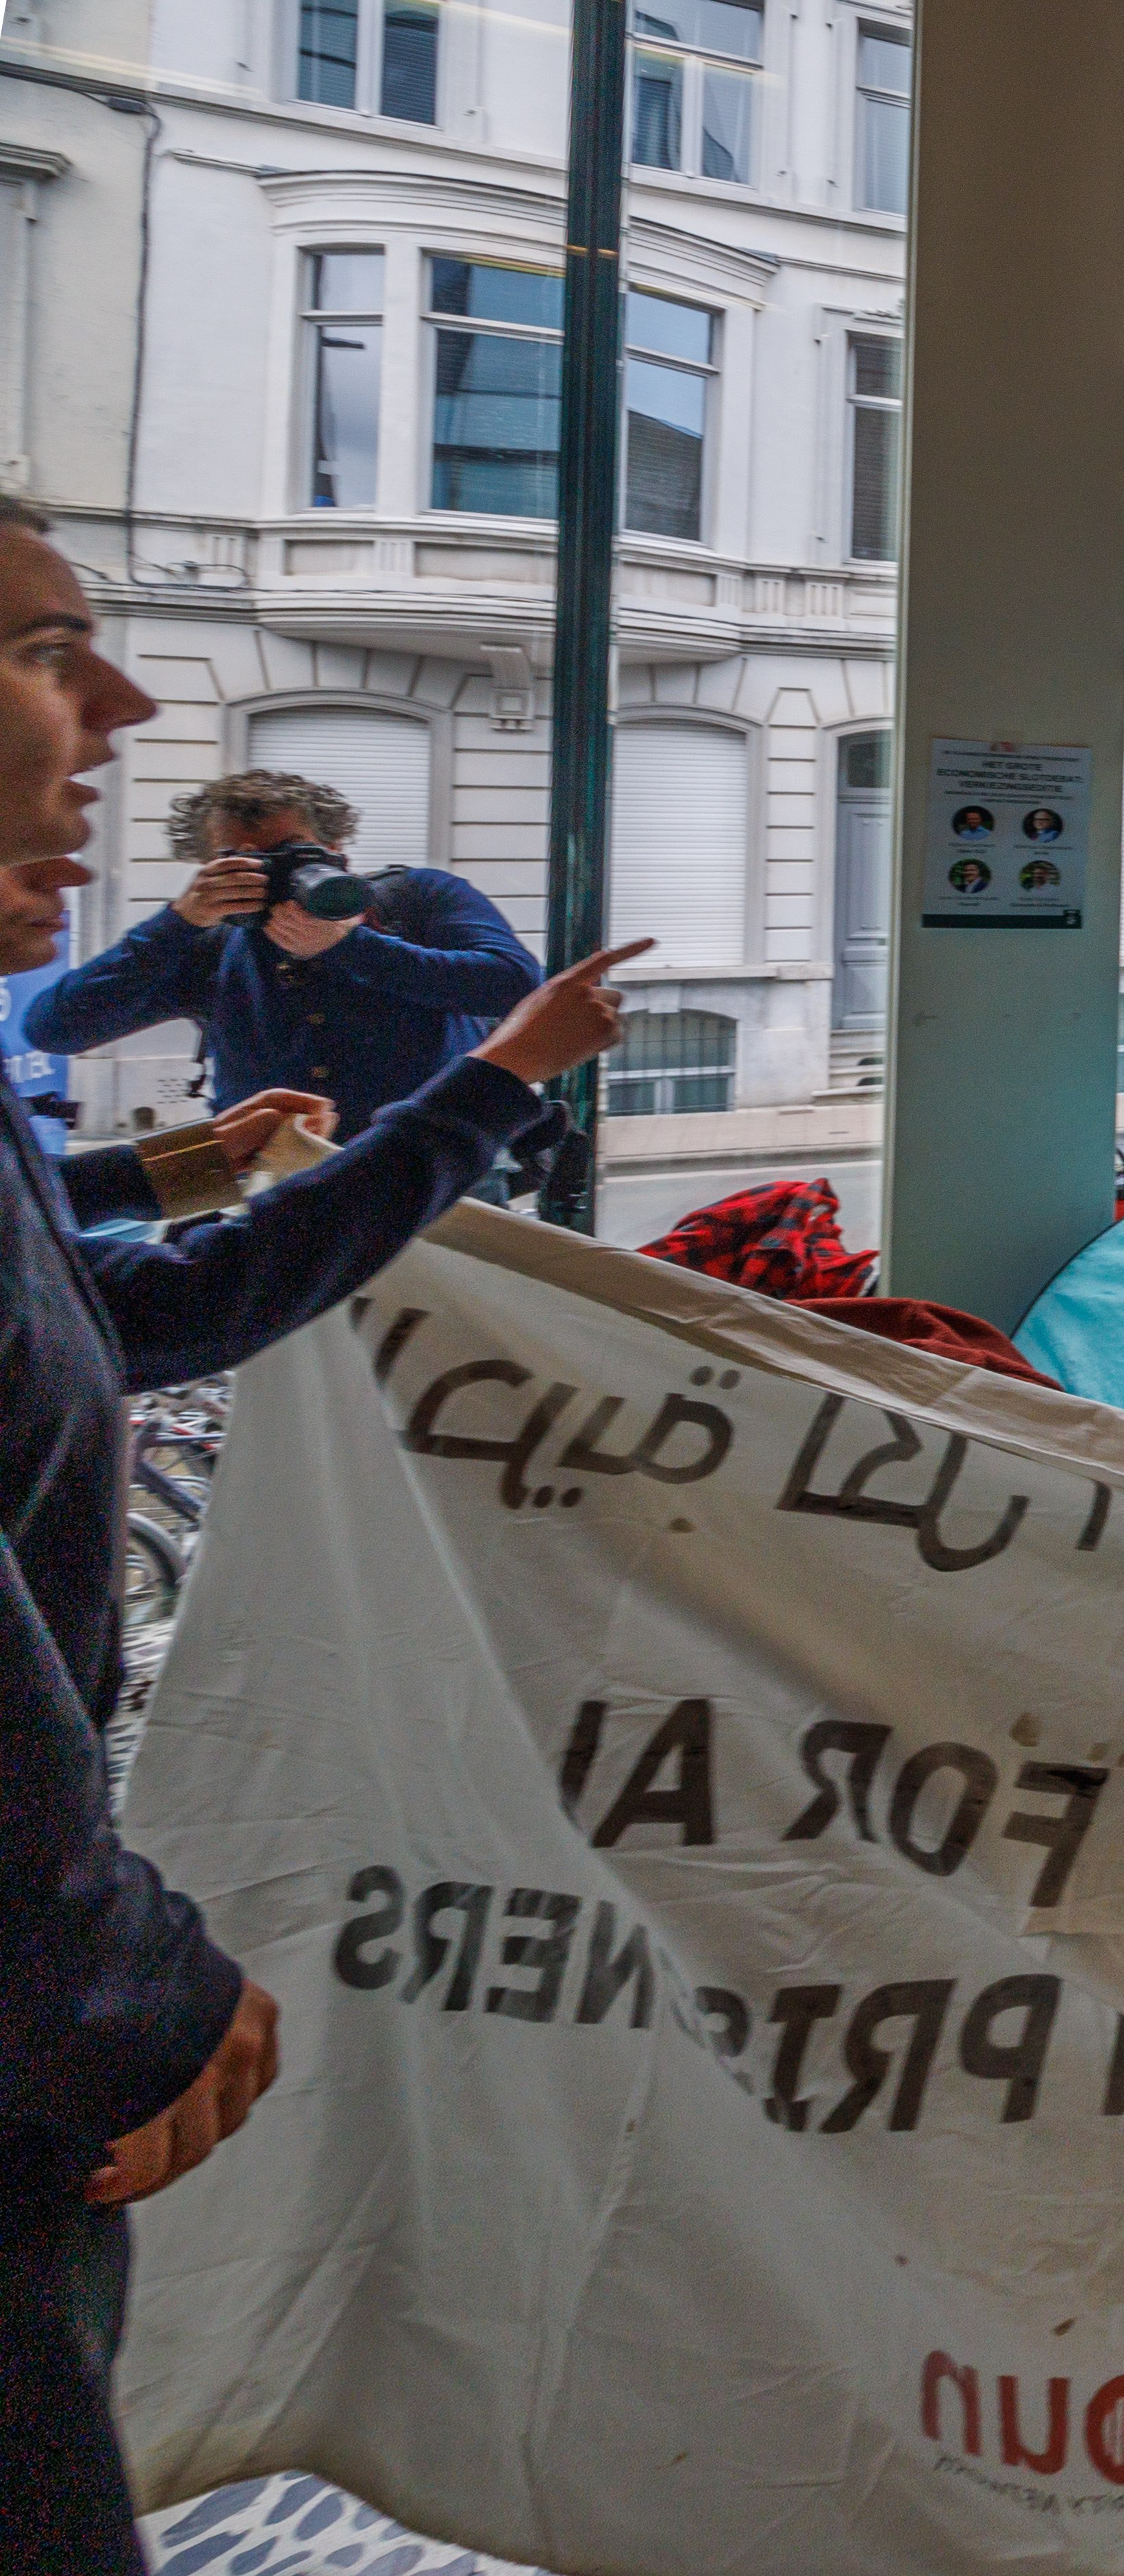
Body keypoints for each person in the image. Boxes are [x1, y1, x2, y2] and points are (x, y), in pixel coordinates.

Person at [0, 495, 646, 2576]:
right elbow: (88, 1038)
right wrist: (113, 1966)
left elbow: (121, 1270)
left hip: (367, 1212)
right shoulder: (167, 932)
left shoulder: (399, 898)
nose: (107, 696)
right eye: (40, 649)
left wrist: (417, 1029)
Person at [24, 767, 541, 1153]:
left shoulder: (417, 898)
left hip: (431, 1172)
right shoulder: (208, 945)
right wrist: (178, 922)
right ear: (207, 866)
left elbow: (518, 985)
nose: (269, 877)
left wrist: (351, 945)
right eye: (240, 860)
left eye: (292, 855)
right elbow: (56, 1029)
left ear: (337, 851)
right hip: (276, 1187)